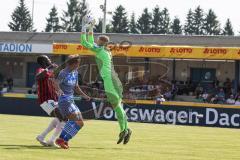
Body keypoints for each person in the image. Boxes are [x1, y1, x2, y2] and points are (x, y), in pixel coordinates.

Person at [80, 16, 132, 145]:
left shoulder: (99, 49)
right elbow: (91, 41)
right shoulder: (104, 49)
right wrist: (91, 27)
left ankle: (124, 129)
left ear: (101, 42)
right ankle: (126, 129)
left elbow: (85, 43)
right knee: (118, 106)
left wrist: (83, 29)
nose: (95, 41)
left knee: (117, 106)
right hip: (114, 79)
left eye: (97, 40)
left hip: (110, 80)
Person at [55, 55, 91, 149]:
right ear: (74, 63)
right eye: (78, 63)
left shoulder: (75, 72)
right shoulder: (63, 73)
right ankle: (61, 139)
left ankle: (65, 140)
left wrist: (84, 95)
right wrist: (59, 90)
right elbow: (55, 83)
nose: (78, 65)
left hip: (70, 100)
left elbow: (76, 87)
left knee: (80, 123)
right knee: (74, 120)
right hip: (64, 100)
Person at [35, 55, 66, 147]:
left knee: (60, 118)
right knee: (63, 117)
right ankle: (52, 140)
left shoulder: (50, 72)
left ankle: (42, 136)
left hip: (53, 99)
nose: (50, 60)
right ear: (43, 62)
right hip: (45, 100)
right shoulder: (41, 70)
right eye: (48, 59)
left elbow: (54, 83)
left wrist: (60, 91)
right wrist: (49, 67)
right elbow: (38, 77)